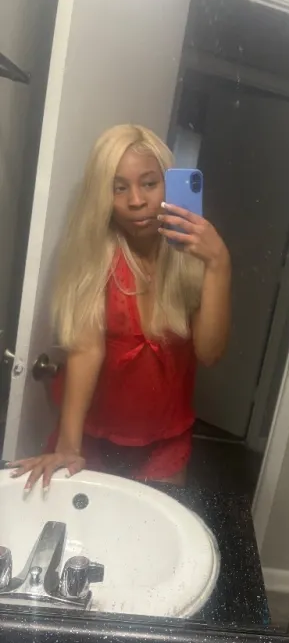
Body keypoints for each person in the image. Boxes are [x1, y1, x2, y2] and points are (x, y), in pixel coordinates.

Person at [10, 124, 231, 490]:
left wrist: (219, 263)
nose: (136, 201)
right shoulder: (95, 256)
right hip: (92, 437)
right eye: (119, 187)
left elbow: (209, 353)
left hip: (165, 441)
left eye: (149, 183)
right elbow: (86, 351)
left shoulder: (194, 256)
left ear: (168, 184)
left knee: (151, 526)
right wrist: (68, 447)